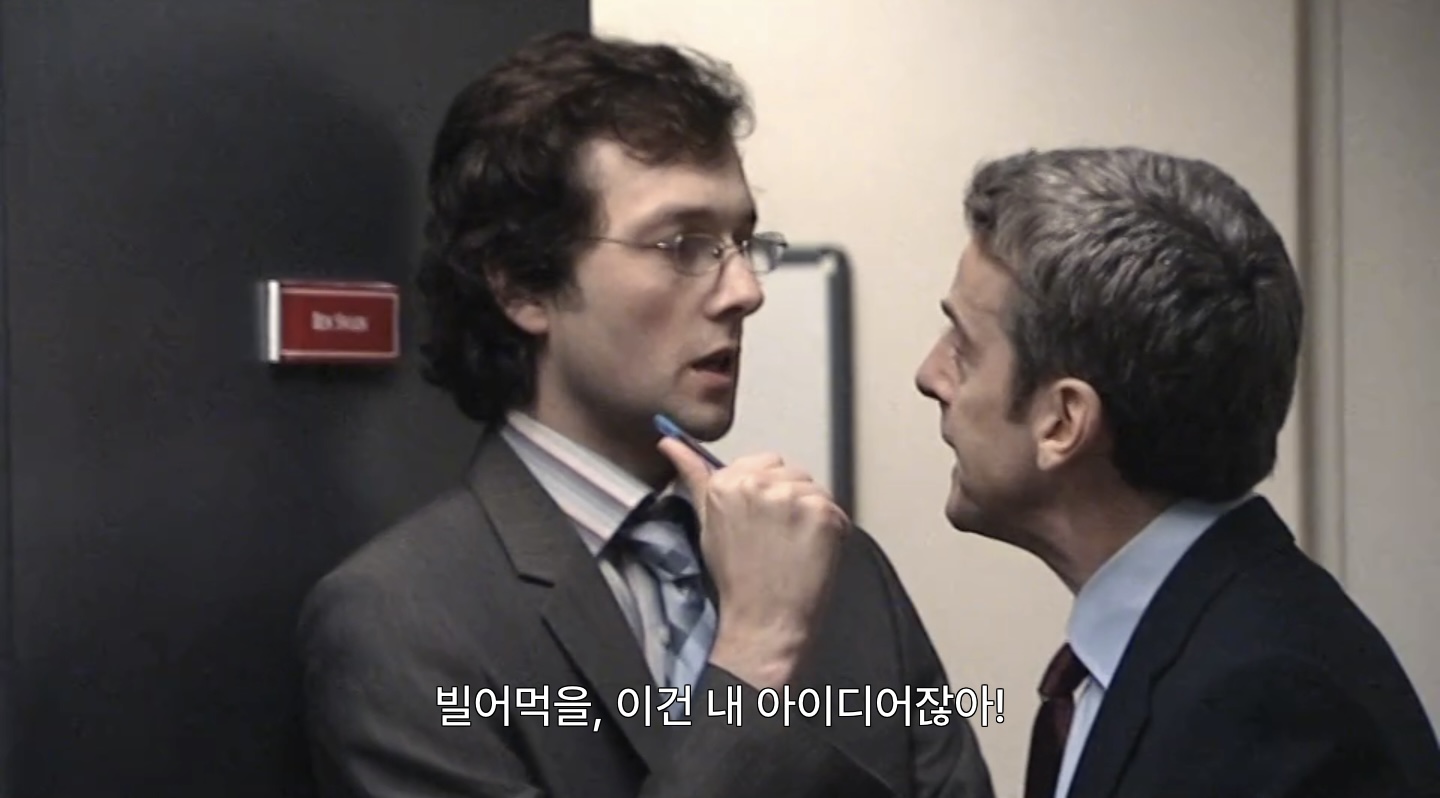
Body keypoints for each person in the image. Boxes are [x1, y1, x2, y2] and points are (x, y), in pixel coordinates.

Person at [298, 30, 995, 798]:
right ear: (523, 286)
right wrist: (755, 651)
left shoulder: (837, 564)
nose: (746, 291)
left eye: (743, 241)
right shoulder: (403, 619)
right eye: (683, 244)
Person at [915, 146, 1440, 798]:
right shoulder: (1199, 645)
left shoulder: (1266, 705)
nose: (929, 375)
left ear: (1063, 421)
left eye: (963, 349)